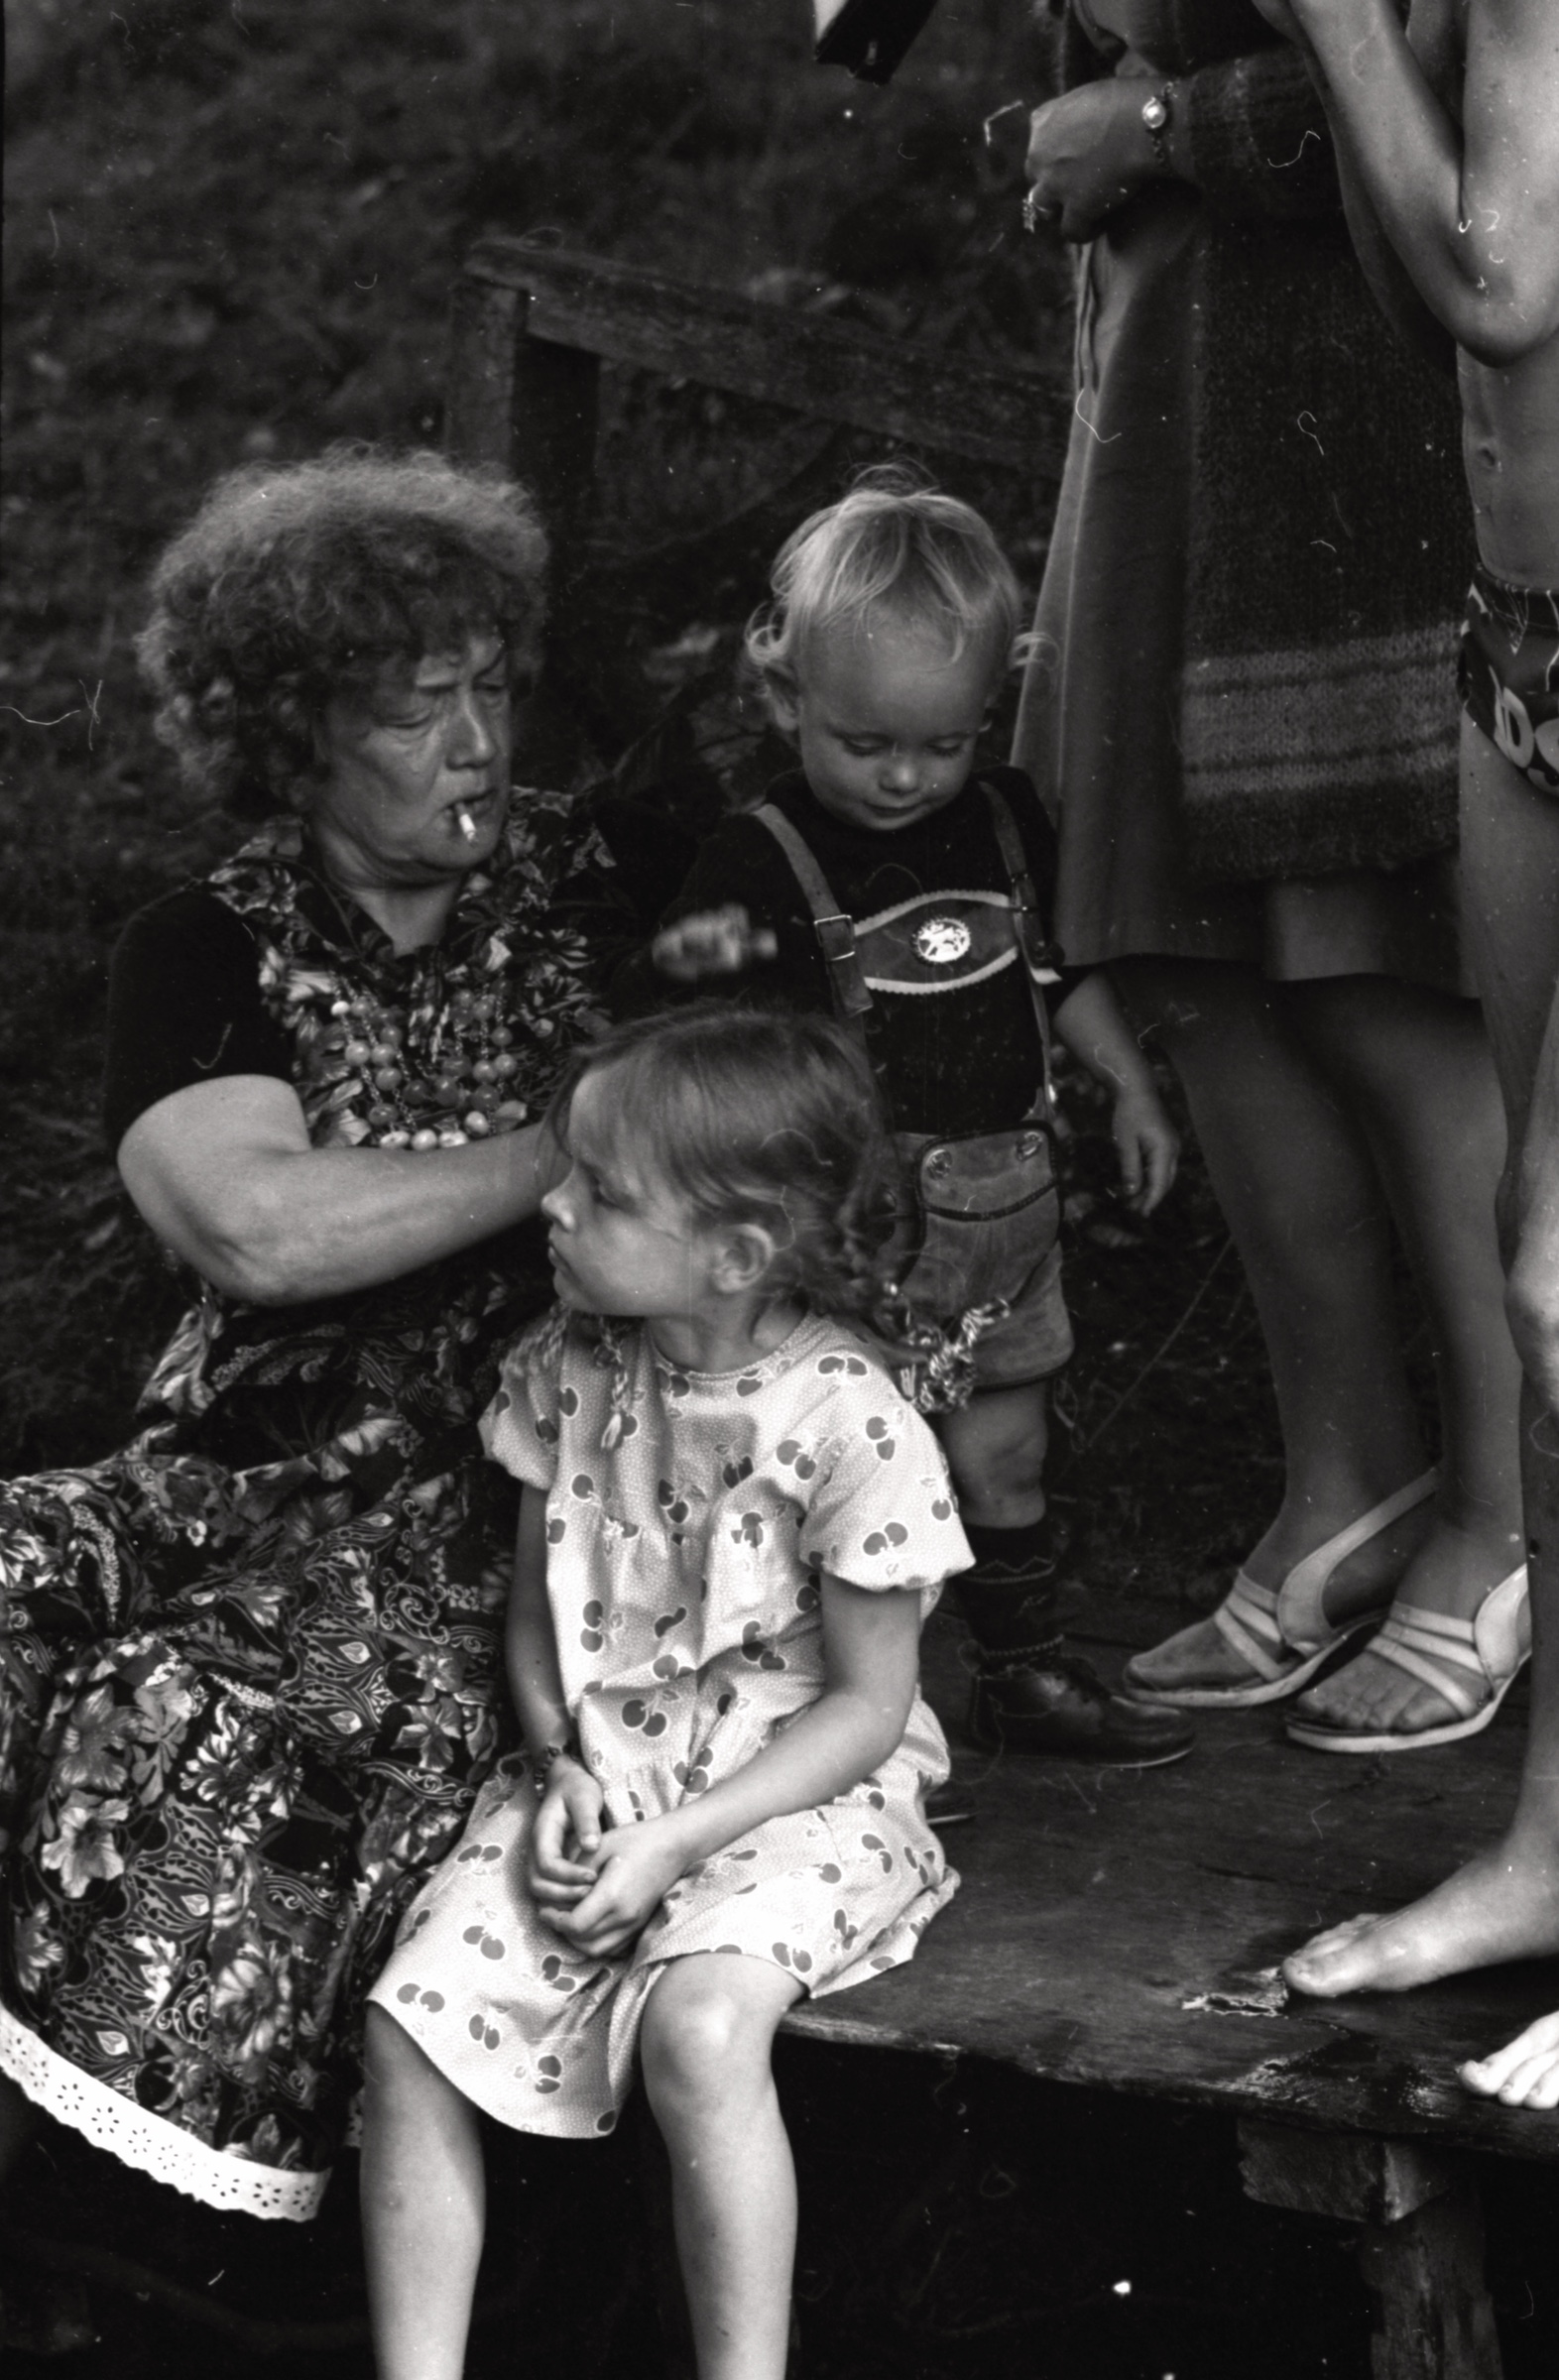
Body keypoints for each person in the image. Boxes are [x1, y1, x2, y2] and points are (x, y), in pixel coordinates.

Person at [0, 446, 650, 2222]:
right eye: (416, 711)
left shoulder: (617, 894)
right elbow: (257, 1230)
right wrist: (572, 1144)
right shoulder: (205, 946)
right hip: (246, 1458)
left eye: (491, 690)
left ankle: (109, 2224)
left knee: (188, 1700)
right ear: (292, 740)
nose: (476, 745)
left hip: (521, 1482)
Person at [1015, 0, 1526, 1754]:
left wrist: (1166, 128)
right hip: (1171, 364)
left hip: (1358, 388)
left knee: (1381, 965)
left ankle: (1505, 1513)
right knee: (1192, 950)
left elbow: (1479, 115)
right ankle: (1352, 1475)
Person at [359, 1005, 969, 2380]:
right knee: (410, 2024)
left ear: (736, 1252)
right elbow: (538, 1611)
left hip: (799, 1798)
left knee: (701, 2027)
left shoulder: (849, 1422)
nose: (555, 1205)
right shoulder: (570, 1363)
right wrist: (560, 1765)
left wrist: (679, 1842)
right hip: (603, 1777)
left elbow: (867, 1712)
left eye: (604, 1191)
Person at [612, 472, 1193, 1767]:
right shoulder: (762, 857)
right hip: (852, 1244)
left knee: (1007, 1458)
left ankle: (1024, 1676)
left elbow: (1062, 973)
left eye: (943, 744)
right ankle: (845, 1727)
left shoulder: (1005, 823)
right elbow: (690, 1038)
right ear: (789, 698)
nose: (905, 777)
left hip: (1007, 1220)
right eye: (866, 743)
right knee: (853, 1483)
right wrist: (694, 972)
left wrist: (1133, 1086)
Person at [1223, 0, 1559, 2101]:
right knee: (1546, 1302)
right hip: (1525, 647)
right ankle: (1551, 1853)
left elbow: (1502, 280)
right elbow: (1419, 279)